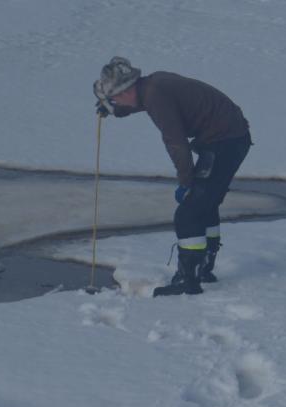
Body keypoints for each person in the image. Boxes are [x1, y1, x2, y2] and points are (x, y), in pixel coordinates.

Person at [93, 57, 252, 297]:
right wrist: (116, 110)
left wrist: (186, 182)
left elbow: (176, 142)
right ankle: (202, 270)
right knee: (205, 206)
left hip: (225, 142)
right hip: (229, 138)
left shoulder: (156, 95)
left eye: (114, 98)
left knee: (188, 213)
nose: (114, 102)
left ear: (125, 90)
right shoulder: (153, 84)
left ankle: (189, 281)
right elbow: (142, 103)